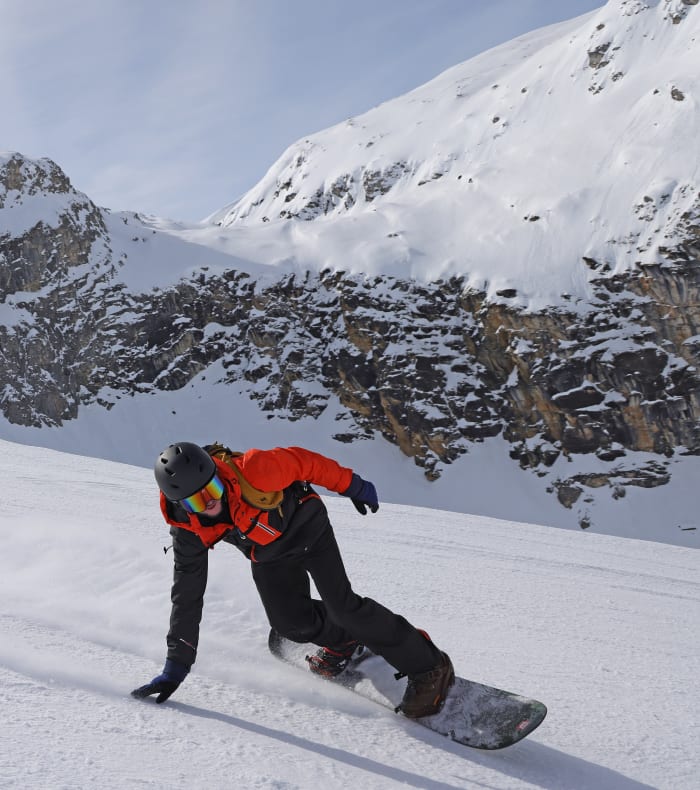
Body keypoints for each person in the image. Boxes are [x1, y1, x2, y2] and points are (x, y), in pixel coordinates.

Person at [131, 441, 454, 718]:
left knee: (343, 607)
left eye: (213, 489)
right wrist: (176, 667)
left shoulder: (255, 469)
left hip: (309, 529)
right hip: (269, 554)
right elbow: (186, 596)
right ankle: (343, 642)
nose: (212, 503)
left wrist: (352, 486)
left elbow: (307, 463)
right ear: (181, 505)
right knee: (291, 625)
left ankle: (429, 666)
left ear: (218, 474)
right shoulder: (188, 531)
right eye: (198, 502)